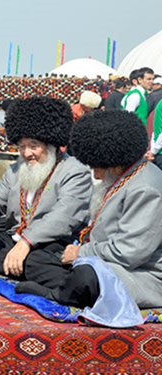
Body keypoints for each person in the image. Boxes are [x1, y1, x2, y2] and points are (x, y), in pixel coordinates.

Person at [18, 110, 162, 314]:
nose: (94, 173)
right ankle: (68, 288)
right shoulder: (122, 177)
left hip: (140, 274)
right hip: (101, 259)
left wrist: (81, 253)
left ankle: (57, 294)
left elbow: (130, 253)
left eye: (96, 166)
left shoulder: (146, 188)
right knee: (37, 258)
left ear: (113, 161)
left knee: (86, 277)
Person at [0, 97, 92, 289]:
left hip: (50, 241)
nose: (27, 153)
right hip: (15, 236)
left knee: (36, 260)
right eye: (22, 146)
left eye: (33, 146)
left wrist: (26, 243)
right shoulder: (16, 169)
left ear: (51, 142)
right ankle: (10, 265)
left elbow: (63, 218)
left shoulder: (75, 170)